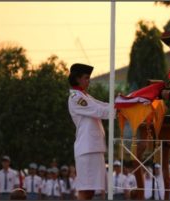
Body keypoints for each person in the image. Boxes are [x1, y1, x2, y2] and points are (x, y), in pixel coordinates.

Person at [68, 63, 112, 200]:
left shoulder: (85, 96)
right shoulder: (76, 97)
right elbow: (99, 111)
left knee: (91, 191)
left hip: (94, 147)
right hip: (86, 148)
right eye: (86, 78)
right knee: (85, 190)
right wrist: (120, 109)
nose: (89, 81)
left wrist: (120, 104)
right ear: (77, 78)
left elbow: (102, 105)